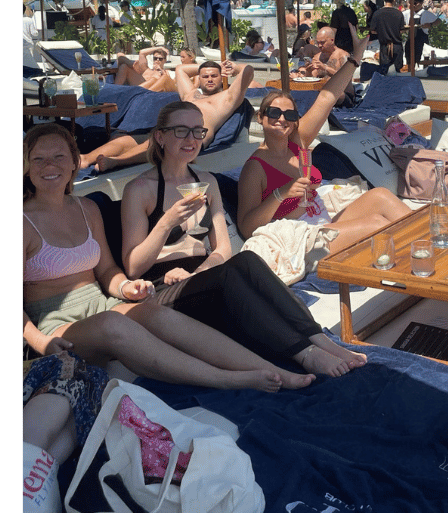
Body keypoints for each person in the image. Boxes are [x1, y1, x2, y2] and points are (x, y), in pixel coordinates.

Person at [22, 124, 314, 391]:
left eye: (59, 157)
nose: (50, 166)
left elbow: (108, 270)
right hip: (54, 324)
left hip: (101, 303)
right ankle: (225, 379)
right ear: (27, 167)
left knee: (155, 312)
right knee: (114, 324)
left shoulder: (87, 209)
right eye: (39, 159)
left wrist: (126, 288)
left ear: (74, 162)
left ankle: (269, 368)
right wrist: (42, 342)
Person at [119, 104, 366, 376]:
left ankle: (319, 339)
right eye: (181, 131)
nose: (191, 139)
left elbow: (223, 248)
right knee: (235, 272)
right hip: (161, 288)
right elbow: (133, 267)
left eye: (198, 132)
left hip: (202, 277)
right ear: (160, 137)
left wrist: (198, 272)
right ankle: (306, 355)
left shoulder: (206, 181)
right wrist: (167, 222)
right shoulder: (139, 190)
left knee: (247, 259)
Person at [237, 24, 412, 252]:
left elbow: (326, 98)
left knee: (381, 196)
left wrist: (355, 58)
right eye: (273, 112)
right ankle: (420, 258)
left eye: (289, 114)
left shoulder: (296, 144)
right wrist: (282, 194)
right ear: (260, 118)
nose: (282, 119)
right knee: (378, 225)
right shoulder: (255, 168)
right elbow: (246, 228)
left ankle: (431, 243)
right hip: (301, 236)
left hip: (322, 222)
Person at [79, 60, 255, 172]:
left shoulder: (227, 98)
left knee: (154, 141)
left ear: (221, 77)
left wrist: (233, 67)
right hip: (168, 128)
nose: (209, 79)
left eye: (214, 76)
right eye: (205, 76)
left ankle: (116, 162)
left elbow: (248, 71)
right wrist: (211, 64)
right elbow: (180, 69)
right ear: (199, 79)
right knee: (127, 140)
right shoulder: (191, 95)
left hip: (190, 134)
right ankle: (86, 158)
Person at [370, 0, 405, 73]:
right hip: (397, 46)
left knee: (384, 73)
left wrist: (382, 31)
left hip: (384, 47)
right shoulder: (399, 13)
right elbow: (401, 30)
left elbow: (373, 31)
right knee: (397, 73)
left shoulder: (377, 13)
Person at [112, 46, 177, 92]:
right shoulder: (146, 69)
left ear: (165, 60)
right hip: (138, 85)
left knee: (157, 76)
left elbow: (169, 84)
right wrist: (159, 47)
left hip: (146, 91)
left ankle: (133, 92)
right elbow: (142, 52)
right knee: (124, 65)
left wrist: (161, 71)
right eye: (155, 58)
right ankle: (115, 90)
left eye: (160, 59)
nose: (157, 60)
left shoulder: (166, 73)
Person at [403, 0, 438, 66]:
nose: (413, 5)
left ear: (421, 3)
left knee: (422, 59)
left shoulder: (426, 13)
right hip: (410, 41)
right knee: (409, 60)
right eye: (411, 3)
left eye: (415, 3)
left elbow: (438, 21)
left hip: (422, 42)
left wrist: (430, 25)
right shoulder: (407, 13)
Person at [23, 3, 44, 77]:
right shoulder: (29, 20)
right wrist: (37, 31)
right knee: (29, 63)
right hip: (28, 44)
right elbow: (34, 33)